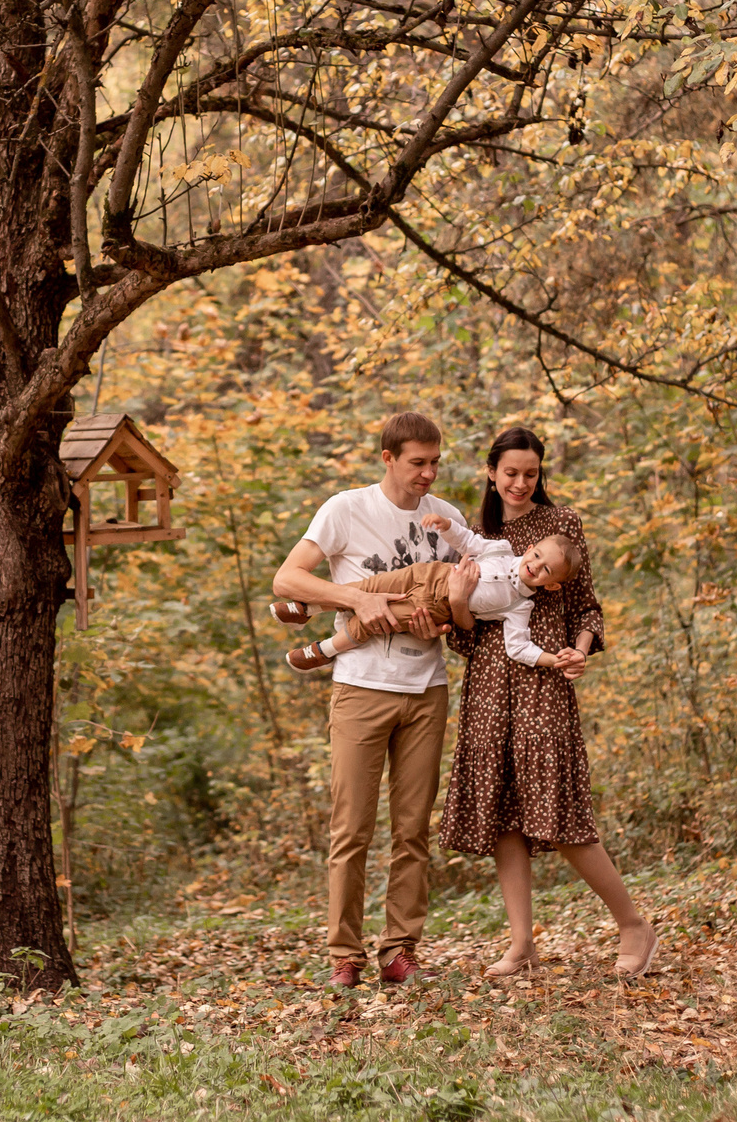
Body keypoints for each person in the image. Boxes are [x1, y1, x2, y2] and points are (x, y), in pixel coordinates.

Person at [437, 426, 658, 979]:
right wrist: (460, 604)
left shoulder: (560, 527)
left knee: (558, 811)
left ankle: (633, 925)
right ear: (491, 472)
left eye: (530, 473)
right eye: (509, 472)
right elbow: (463, 638)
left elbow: (588, 609)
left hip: (543, 684)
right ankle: (522, 945)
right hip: (488, 685)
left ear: (540, 474)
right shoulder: (477, 534)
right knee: (506, 814)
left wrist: (579, 650)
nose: (519, 482)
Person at [271, 412, 463, 988]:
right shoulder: (346, 509)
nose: (428, 473)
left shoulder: (448, 520)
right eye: (417, 462)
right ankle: (344, 956)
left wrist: (444, 623)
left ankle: (400, 951)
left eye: (435, 462)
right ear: (388, 458)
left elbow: (461, 604)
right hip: (361, 689)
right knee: (351, 829)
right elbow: (288, 578)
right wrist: (355, 599)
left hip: (426, 691)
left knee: (413, 831)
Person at [282, 527, 586, 673]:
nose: (535, 565)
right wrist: (445, 525)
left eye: (546, 570)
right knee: (368, 587)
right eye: (536, 555)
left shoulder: (519, 605)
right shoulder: (502, 548)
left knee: (375, 622)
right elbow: (468, 541)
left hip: (431, 608)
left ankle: (323, 650)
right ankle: (309, 608)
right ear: (530, 546)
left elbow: (518, 646)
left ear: (553, 586)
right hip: (425, 574)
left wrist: (550, 659)